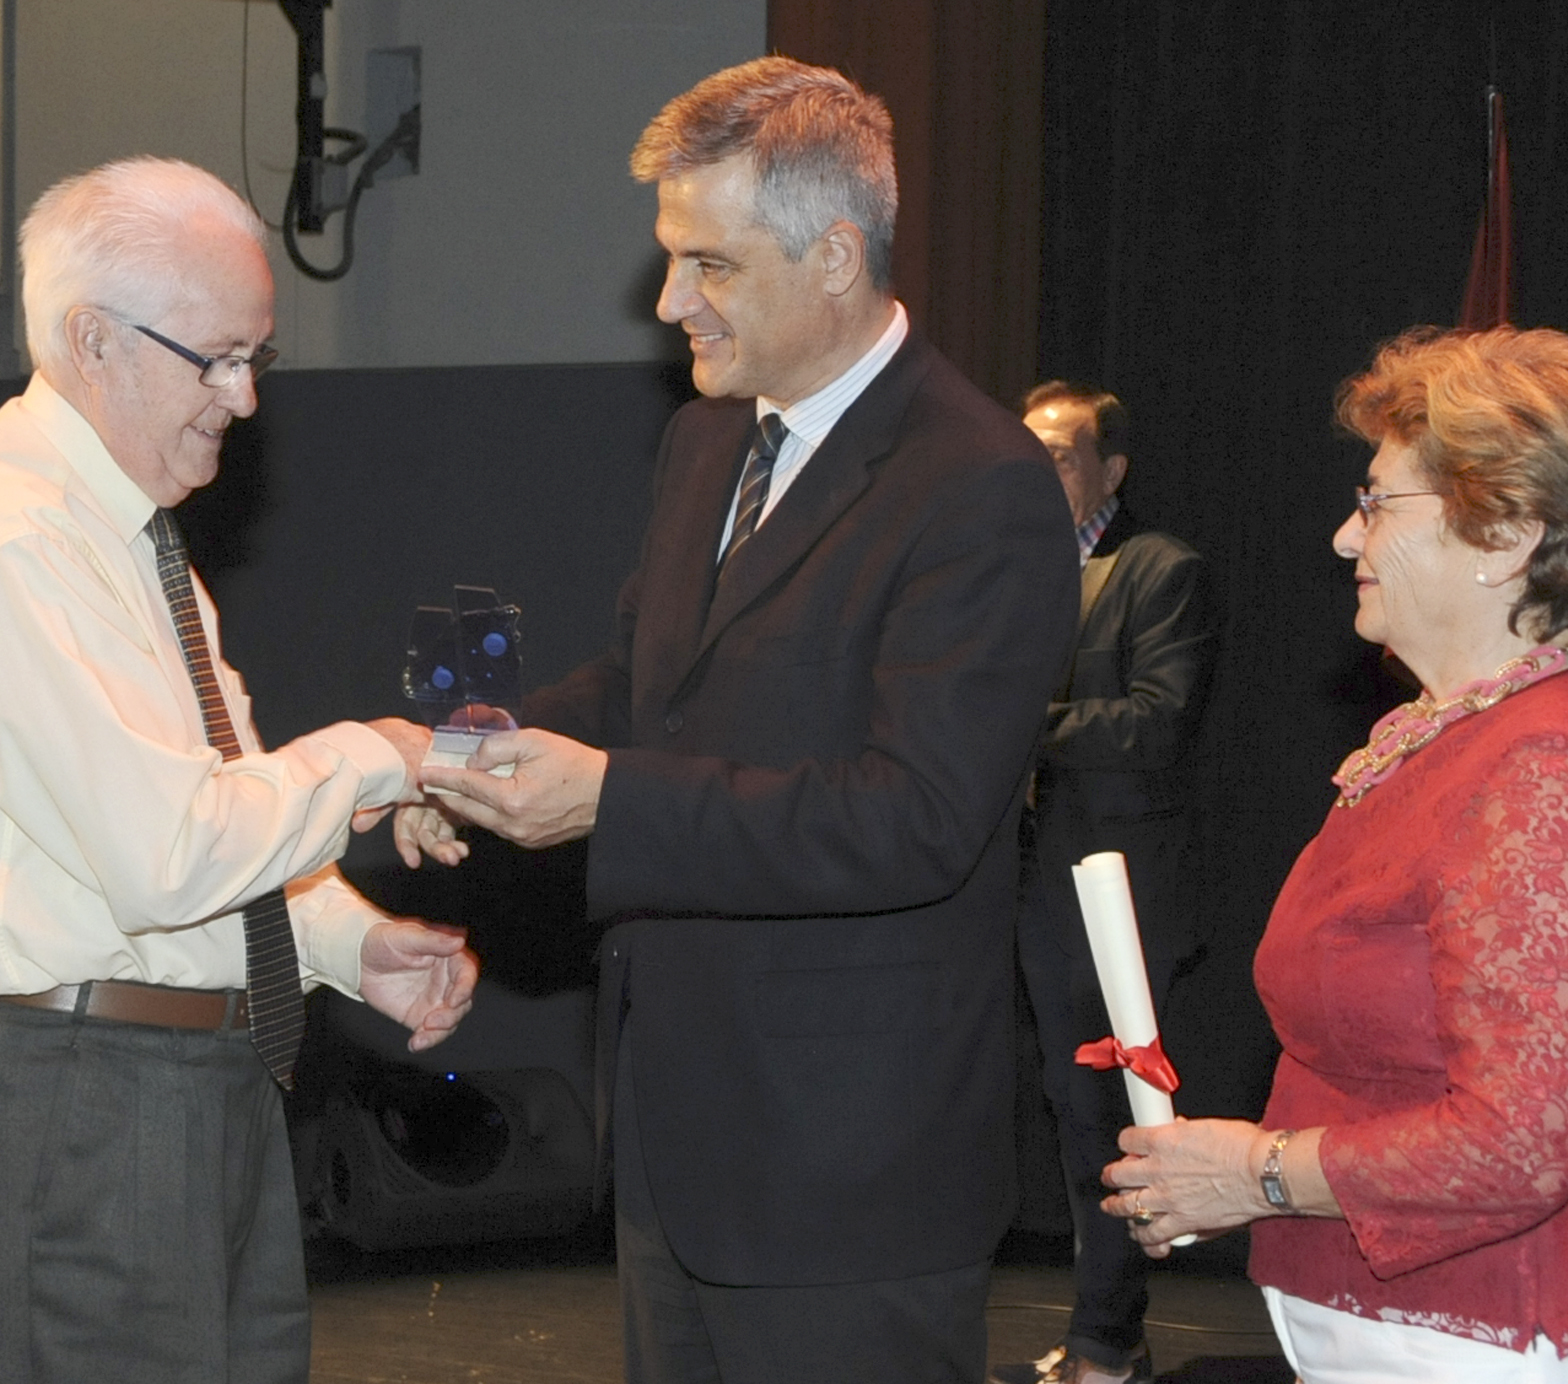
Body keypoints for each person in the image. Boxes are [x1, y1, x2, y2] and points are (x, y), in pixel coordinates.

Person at [405, 57, 1077, 1384]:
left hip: (849, 1180)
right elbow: (648, 689)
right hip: (676, 1150)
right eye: (670, 261)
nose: (667, 304)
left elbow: (915, 822)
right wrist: (471, 756)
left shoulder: (978, 484)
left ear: (835, 257)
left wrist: (608, 799)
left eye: (707, 265)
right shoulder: (711, 442)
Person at [0, 156, 478, 1384]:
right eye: (217, 357)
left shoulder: (128, 539)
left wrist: (346, 944)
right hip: (85, 1106)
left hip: (198, 1083)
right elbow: (168, 855)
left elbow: (214, 814)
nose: (244, 399)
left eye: (259, 358)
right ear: (92, 339)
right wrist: (383, 755)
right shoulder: (8, 543)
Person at [1100, 326, 1568, 1382]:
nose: (1346, 538)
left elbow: (1516, 1144)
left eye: (1378, 502)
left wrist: (1254, 1171)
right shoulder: (1466, 735)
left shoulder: (1557, 771)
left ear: (1508, 533)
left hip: (1520, 1347)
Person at [995, 385, 1220, 1384]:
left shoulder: (1158, 570)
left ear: (1110, 470)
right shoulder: (1005, 570)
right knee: (1057, 1104)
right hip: (1020, 881)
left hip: (1116, 894)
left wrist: (1019, 721)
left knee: (1107, 1120)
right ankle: (1102, 1336)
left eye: (1058, 453)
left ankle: (1104, 1345)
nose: (1036, 468)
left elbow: (1156, 721)